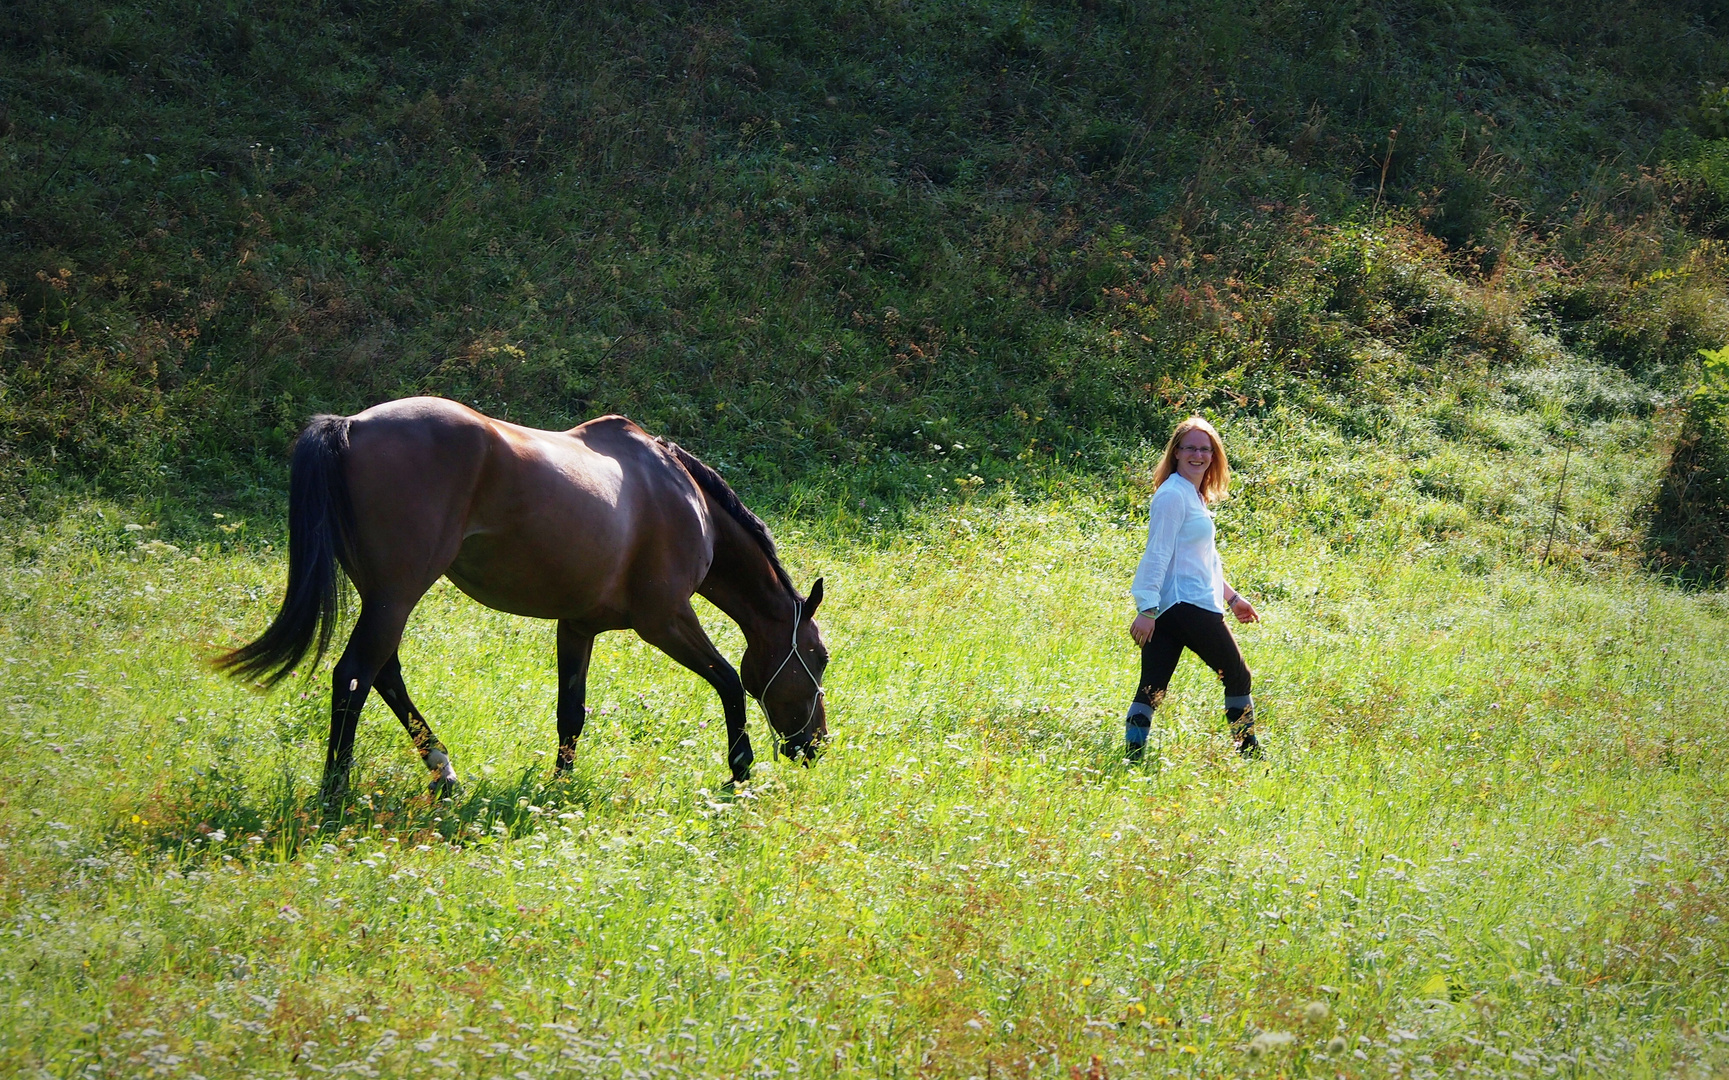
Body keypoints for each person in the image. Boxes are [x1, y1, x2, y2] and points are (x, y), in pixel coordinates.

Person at [1125, 416, 1261, 760]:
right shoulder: (1172, 495)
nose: (1198, 455)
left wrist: (1232, 597)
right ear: (1176, 453)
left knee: (1152, 686)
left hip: (1174, 606)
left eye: (1205, 448)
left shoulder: (1190, 495)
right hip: (1186, 605)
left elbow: (1199, 558)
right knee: (1237, 674)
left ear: (1214, 455)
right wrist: (1145, 609)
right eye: (1190, 448)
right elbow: (1157, 553)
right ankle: (1248, 752)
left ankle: (1132, 755)